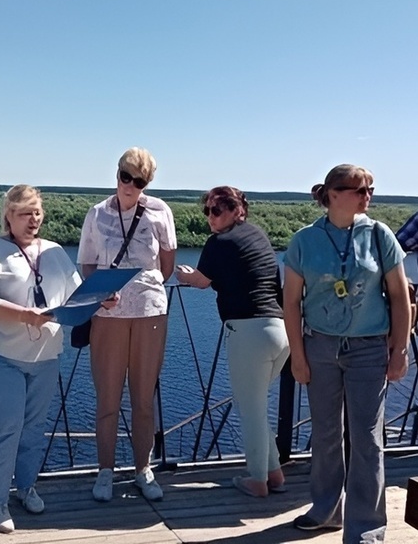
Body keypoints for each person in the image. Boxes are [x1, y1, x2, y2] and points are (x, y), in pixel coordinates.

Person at [283, 164, 411, 543]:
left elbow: (401, 298)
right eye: (360, 189)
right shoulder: (304, 240)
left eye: (370, 188)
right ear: (333, 194)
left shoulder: (380, 235)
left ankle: (366, 528)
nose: (367, 195)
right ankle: (326, 510)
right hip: (320, 347)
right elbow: (291, 302)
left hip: (369, 349)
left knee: (368, 439)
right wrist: (298, 355)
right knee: (324, 435)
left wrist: (399, 349)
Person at [0, 185, 82, 533]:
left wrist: (100, 300)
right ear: (9, 216)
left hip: (46, 356)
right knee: (7, 427)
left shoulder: (55, 252)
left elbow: (76, 292)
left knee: (34, 428)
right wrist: (25, 315)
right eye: (24, 213)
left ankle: (26, 487)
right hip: (1, 355)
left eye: (37, 212)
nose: (33, 219)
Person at [175, 186, 289, 497]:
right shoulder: (257, 235)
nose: (211, 217)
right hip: (280, 331)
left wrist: (184, 275)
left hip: (248, 331)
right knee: (257, 404)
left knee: (249, 407)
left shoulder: (219, 242)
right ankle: (274, 472)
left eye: (218, 210)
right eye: (207, 211)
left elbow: (201, 281)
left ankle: (257, 479)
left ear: (238, 211)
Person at [77, 147, 176, 502]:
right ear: (116, 174)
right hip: (108, 315)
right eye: (126, 177)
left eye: (140, 180)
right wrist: (101, 294)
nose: (131, 186)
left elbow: (166, 265)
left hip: (150, 312)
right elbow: (87, 264)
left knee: (143, 397)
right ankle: (105, 471)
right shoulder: (97, 214)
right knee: (108, 395)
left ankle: (142, 469)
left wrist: (143, 290)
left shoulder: (161, 211)